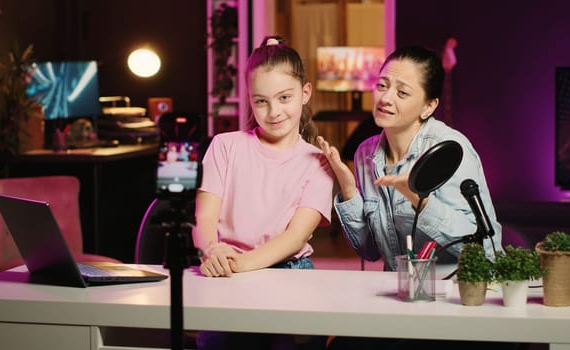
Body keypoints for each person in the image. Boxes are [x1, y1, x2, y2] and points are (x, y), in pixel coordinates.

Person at [318, 45, 515, 350]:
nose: (385, 98)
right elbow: (370, 251)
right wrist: (348, 190)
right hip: (405, 301)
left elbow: (484, 249)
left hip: (463, 302)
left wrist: (418, 199)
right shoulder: (365, 153)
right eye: (382, 85)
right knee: (340, 344)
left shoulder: (450, 150)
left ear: (428, 106)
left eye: (402, 92)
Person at [192, 35, 334, 349]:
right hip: (224, 267)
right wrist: (211, 251)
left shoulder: (318, 162)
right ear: (250, 99)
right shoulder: (225, 146)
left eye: (285, 98)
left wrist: (240, 265)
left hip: (288, 271)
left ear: (305, 93)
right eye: (261, 101)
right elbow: (204, 218)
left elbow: (295, 237)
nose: (273, 112)